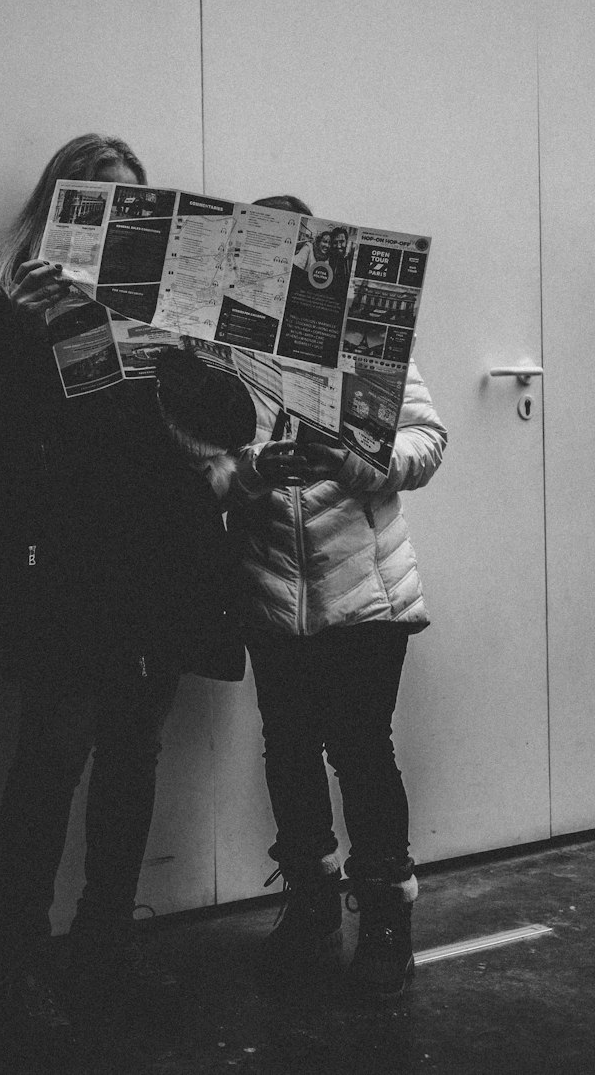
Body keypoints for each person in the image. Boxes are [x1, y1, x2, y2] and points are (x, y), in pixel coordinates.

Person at [0, 134, 257, 1035]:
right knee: (52, 754)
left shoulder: (169, 306)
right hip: (67, 563)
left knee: (133, 753)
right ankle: (18, 960)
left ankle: (104, 943)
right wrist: (46, 339)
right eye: (95, 197)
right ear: (56, 205)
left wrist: (188, 349)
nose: (114, 215)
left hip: (160, 560)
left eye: (132, 203)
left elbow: (231, 419)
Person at [227, 193, 447, 1001]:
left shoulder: (369, 339)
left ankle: (388, 920)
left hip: (367, 592)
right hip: (269, 588)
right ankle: (313, 907)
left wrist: (356, 459)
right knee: (286, 749)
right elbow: (204, 461)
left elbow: (426, 441)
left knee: (360, 748)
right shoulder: (225, 348)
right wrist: (255, 469)